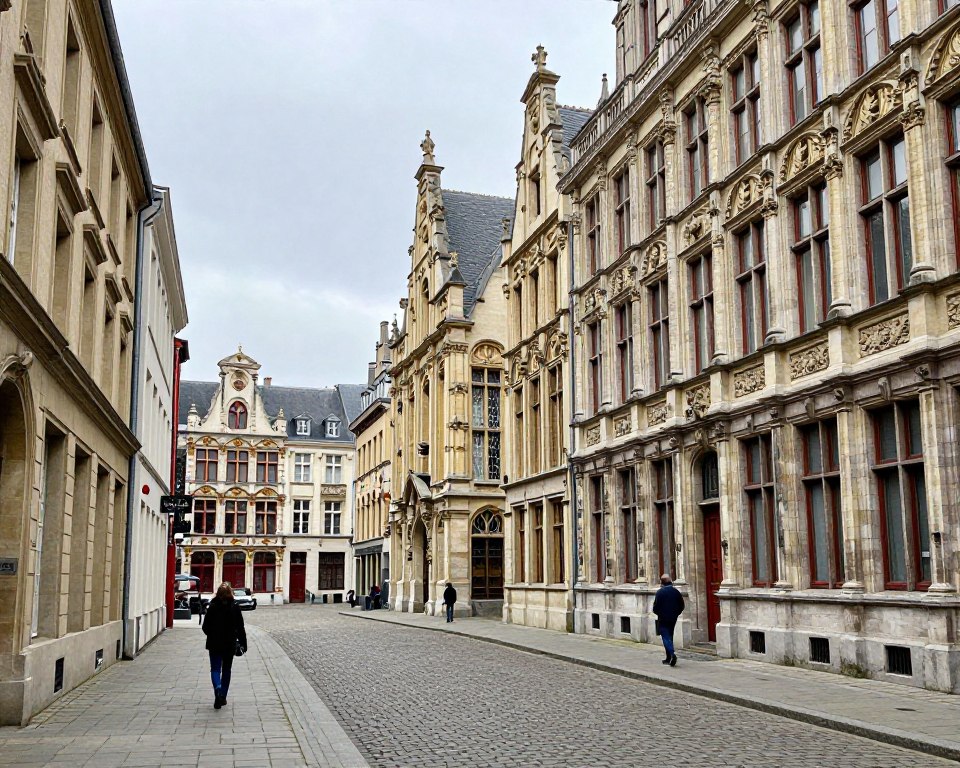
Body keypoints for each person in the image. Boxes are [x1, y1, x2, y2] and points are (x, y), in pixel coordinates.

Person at [202, 582, 247, 709]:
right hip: (229, 644)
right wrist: (243, 644)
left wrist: (211, 634)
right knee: (226, 670)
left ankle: (217, 687)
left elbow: (205, 627)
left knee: (215, 669)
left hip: (214, 643)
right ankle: (222, 695)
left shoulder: (212, 607)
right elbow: (240, 627)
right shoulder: (235, 607)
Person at [652, 573, 684, 667]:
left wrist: (659, 613)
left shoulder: (660, 592)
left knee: (665, 637)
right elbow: (681, 605)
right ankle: (668, 657)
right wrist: (676, 613)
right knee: (670, 636)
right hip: (673, 617)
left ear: (662, 582)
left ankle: (672, 654)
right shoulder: (676, 592)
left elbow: (655, 607)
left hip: (663, 618)